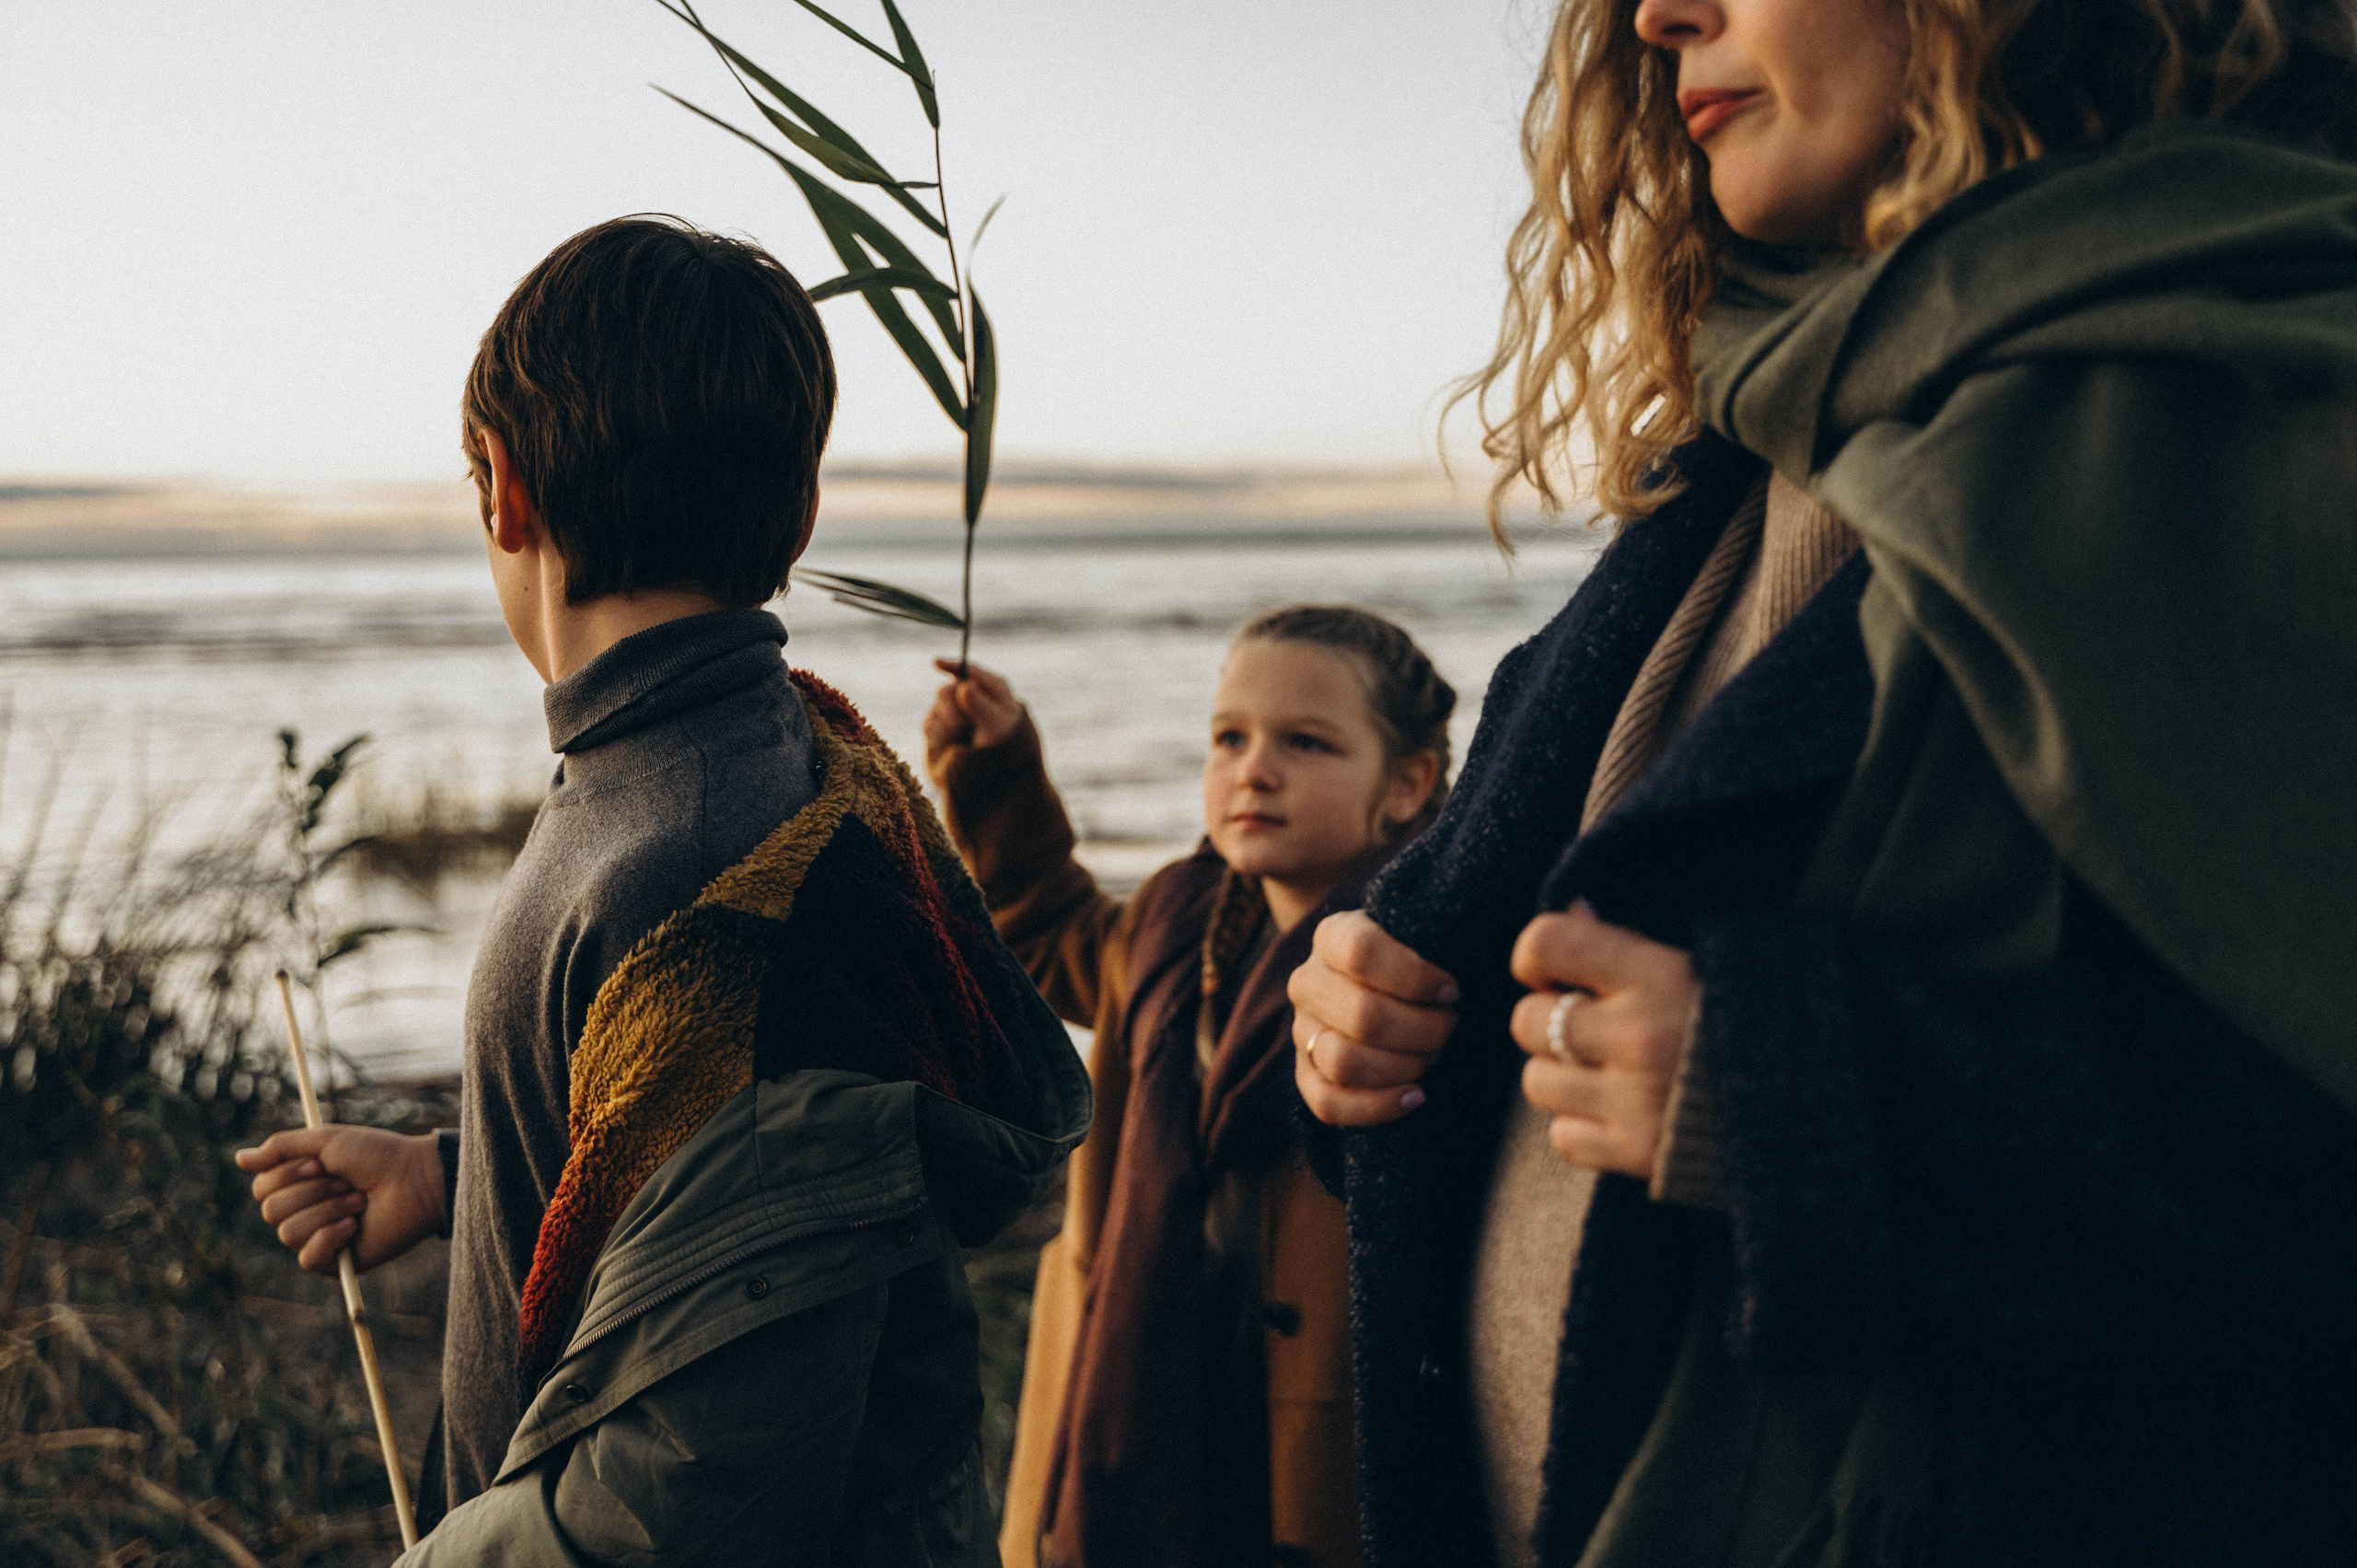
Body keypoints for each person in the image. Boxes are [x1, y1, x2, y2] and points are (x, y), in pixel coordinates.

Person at [1288, 2, 2357, 1566]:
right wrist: (1370, 1029)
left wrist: (1805, 1100)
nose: (1660, 14)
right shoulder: (1753, 451)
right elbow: (1550, 1029)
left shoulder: (2273, 401)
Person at [235, 215, 1089, 1565]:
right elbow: (705, 1189)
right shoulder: (731, 765)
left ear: (501, 489)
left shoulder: (704, 870)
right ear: (802, 515)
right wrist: (455, 1175)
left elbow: (696, 1480)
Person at [926, 608, 1454, 1568]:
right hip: (1144, 1394)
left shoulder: (1420, 966)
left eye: (1306, 741)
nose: (1254, 768)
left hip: (1313, 1434)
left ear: (1409, 783)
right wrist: (998, 773)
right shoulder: (1174, 926)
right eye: (1230, 737)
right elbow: (1048, 927)